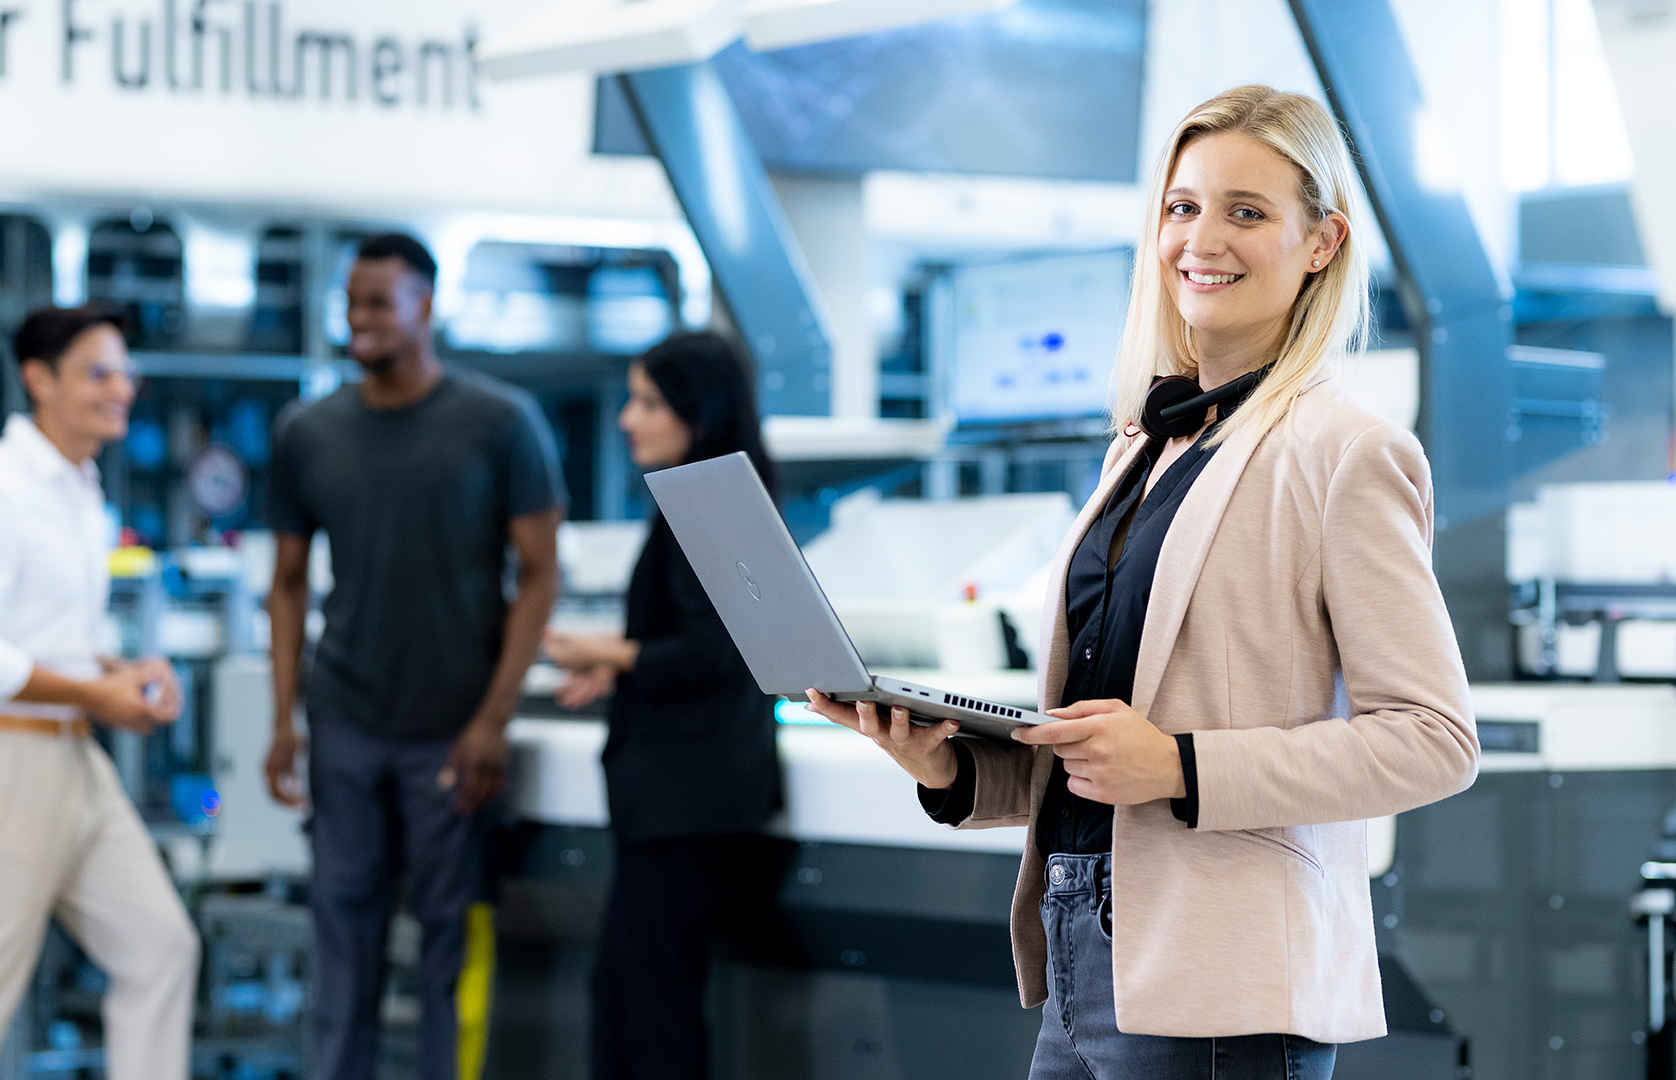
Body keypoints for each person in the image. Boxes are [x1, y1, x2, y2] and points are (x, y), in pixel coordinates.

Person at [807, 85, 1480, 1078]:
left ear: (1322, 242)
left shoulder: (1349, 451)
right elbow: (1103, 742)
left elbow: (1434, 741)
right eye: (1183, 206)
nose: (1201, 238)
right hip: (1081, 943)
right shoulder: (1146, 446)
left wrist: (1184, 767)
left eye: (1246, 212)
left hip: (1225, 978)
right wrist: (949, 768)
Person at [263, 232, 565, 1080]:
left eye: (377, 303)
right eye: (351, 303)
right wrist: (284, 717)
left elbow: (540, 576)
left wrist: (493, 719)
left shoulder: (501, 424)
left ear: (424, 308)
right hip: (347, 721)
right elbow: (286, 583)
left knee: (446, 951)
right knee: (343, 945)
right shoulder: (306, 432)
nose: (359, 321)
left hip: (452, 729)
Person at [0, 304, 197, 1080]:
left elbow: (53, 637)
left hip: (75, 761)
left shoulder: (80, 488)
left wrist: (120, 674)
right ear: (39, 379)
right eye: (98, 373)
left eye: (125, 372)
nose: (120, 389)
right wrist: (94, 695)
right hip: (1, 764)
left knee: (161, 948)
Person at [542, 331, 783, 1080]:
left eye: (647, 401)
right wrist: (622, 668)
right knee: (625, 1000)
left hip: (687, 804)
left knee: (655, 1017)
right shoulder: (699, 497)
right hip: (670, 801)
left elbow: (716, 652)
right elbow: (690, 636)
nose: (626, 418)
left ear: (697, 410)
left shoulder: (712, 502)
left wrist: (607, 652)